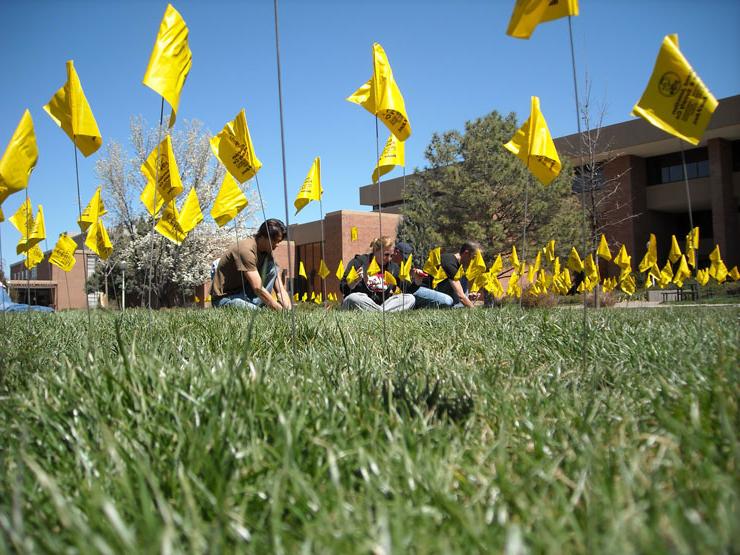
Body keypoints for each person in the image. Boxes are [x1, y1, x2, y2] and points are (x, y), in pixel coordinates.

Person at [211, 218, 292, 310]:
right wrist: (279, 310)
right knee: (260, 315)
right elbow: (258, 288)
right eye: (275, 241)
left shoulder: (267, 253)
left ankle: (259, 305)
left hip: (246, 294)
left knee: (272, 266)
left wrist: (288, 310)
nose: (277, 245)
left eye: (279, 242)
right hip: (226, 299)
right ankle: (259, 308)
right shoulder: (246, 250)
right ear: (263, 237)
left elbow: (280, 289)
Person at [340, 236, 415, 311]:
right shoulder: (358, 262)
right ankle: (381, 312)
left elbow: (406, 290)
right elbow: (342, 288)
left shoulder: (393, 267)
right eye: (386, 255)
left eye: (391, 256)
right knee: (353, 298)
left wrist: (417, 282)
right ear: (376, 251)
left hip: (383, 305)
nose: (389, 259)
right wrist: (354, 282)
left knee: (410, 298)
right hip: (362, 301)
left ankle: (378, 311)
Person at [422, 241, 482, 308]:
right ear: (466, 253)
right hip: (423, 290)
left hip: (435, 291)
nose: (473, 261)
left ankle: (457, 305)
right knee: (447, 300)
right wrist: (473, 309)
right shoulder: (450, 263)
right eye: (473, 257)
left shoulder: (457, 266)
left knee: (464, 277)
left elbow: (461, 295)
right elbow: (461, 296)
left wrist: (468, 298)